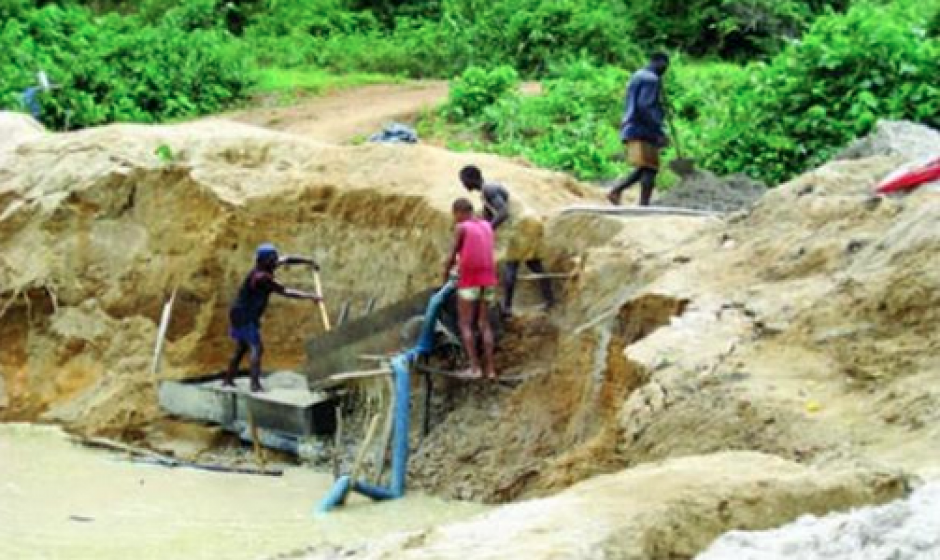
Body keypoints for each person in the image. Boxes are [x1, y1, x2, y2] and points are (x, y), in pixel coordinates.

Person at [459, 165, 555, 316]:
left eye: (463, 181)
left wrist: (488, 230)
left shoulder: (489, 190)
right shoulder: (486, 193)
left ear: (470, 179)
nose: (464, 185)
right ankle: (550, 300)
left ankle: (507, 308)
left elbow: (503, 212)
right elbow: (488, 217)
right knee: (534, 264)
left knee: (511, 266)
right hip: (529, 223)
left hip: (522, 225)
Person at [225, 243, 322, 392]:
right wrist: (310, 296)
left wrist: (309, 261)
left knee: (242, 348)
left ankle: (228, 380)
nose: (276, 260)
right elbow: (285, 291)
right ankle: (255, 386)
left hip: (243, 314)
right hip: (243, 315)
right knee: (256, 348)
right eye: (273, 258)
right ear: (264, 260)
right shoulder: (261, 277)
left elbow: (288, 259)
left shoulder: (266, 267)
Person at [442, 198, 497, 380]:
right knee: (483, 323)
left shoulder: (462, 227)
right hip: (489, 278)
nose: (455, 220)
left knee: (465, 323)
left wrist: (444, 276)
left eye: (455, 216)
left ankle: (474, 368)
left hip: (470, 279)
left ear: (459, 212)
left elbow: (451, 255)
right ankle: (490, 369)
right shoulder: (487, 225)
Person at [608, 52, 670, 207]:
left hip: (632, 125)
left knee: (647, 166)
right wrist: (659, 130)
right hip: (643, 128)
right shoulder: (651, 79)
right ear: (660, 63)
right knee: (650, 167)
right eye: (665, 66)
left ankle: (622, 193)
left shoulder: (638, 75)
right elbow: (645, 106)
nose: (665, 70)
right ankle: (639, 203)